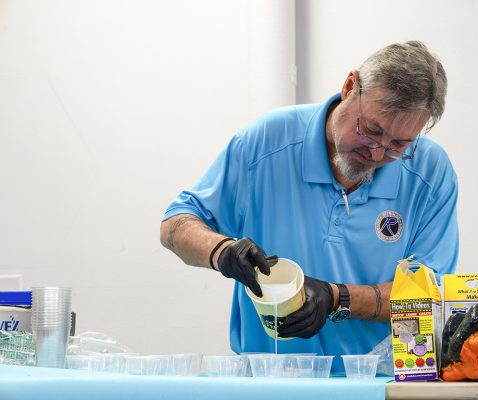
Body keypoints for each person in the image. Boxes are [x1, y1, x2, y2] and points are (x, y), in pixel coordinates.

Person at [160, 41, 458, 374]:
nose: (377, 154)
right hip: (268, 384)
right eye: (371, 130)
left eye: (399, 145)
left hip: (378, 385)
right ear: (349, 87)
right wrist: (222, 251)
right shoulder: (266, 142)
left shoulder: (430, 173)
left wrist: (337, 298)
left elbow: (428, 297)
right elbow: (175, 226)